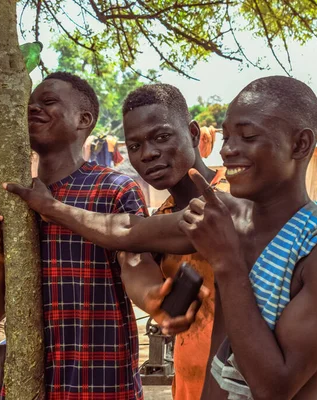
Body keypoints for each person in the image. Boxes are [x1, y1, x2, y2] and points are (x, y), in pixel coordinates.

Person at [2, 76, 317, 399]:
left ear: (300, 144)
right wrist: (50, 206)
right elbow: (127, 234)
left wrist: (226, 259)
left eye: (247, 136)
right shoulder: (219, 213)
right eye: (227, 136)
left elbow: (274, 387)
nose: (228, 150)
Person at [0, 72, 148, 399]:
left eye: (48, 102)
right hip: (32, 388)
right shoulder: (15, 198)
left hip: (100, 385)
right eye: (29, 104)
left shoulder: (115, 191)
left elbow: (141, 278)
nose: (33, 109)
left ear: (84, 119)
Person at [119, 84, 228, 400]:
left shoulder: (237, 197)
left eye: (161, 137)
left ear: (193, 133)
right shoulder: (160, 218)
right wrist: (154, 300)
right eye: (135, 145)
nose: (148, 153)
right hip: (188, 388)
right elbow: (134, 262)